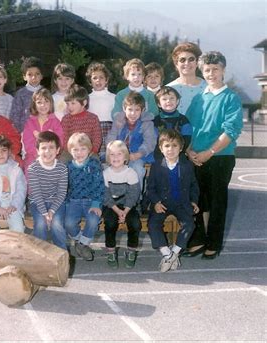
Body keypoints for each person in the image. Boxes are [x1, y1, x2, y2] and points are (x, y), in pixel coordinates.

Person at [184, 51, 243, 259]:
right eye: (207, 70)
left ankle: (214, 243)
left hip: (220, 157)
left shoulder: (231, 98)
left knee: (217, 201)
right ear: (202, 71)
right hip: (196, 156)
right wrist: (189, 150)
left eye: (215, 69)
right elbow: (189, 128)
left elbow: (230, 131)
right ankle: (199, 239)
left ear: (223, 70)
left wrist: (209, 153)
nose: (211, 73)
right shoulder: (199, 98)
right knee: (197, 200)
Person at [146, 130, 199, 272]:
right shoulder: (156, 166)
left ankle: (174, 253)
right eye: (167, 146)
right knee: (153, 224)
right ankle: (166, 253)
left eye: (175, 146)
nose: (171, 149)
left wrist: (194, 201)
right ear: (161, 148)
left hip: (181, 203)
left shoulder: (187, 166)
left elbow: (194, 185)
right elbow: (150, 189)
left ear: (181, 148)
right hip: (162, 204)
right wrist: (156, 202)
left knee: (189, 224)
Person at [65, 132, 105, 261]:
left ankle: (82, 245)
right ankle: (79, 241)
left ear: (89, 149)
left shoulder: (94, 165)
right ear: (70, 151)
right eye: (75, 150)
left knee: (94, 220)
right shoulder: (68, 166)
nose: (79, 153)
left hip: (91, 201)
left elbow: (99, 185)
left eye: (83, 149)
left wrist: (96, 203)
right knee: (69, 223)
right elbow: (65, 186)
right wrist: (66, 203)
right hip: (73, 201)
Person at [102, 140, 142, 269]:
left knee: (135, 223)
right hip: (112, 206)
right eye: (112, 155)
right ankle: (111, 251)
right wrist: (117, 211)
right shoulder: (106, 173)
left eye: (119, 154)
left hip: (128, 206)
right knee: (110, 222)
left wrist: (125, 210)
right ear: (108, 157)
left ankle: (131, 250)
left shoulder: (131, 173)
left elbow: (134, 194)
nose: (115, 158)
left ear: (125, 157)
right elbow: (106, 196)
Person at [107, 91, 156, 190]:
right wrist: (112, 150)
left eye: (137, 110)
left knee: (137, 169)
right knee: (112, 168)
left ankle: (136, 199)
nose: (133, 113)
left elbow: (150, 142)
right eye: (130, 109)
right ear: (124, 109)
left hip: (138, 155)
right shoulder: (118, 121)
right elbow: (111, 136)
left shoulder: (147, 123)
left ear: (143, 110)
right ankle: (117, 198)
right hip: (119, 153)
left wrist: (138, 154)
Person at [27, 131, 68, 250]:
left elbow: (61, 193)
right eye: (43, 148)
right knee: (40, 224)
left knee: (57, 225)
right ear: (37, 151)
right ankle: (40, 252)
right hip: (38, 202)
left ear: (58, 150)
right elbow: (36, 194)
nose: (47, 151)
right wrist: (45, 213)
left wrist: (52, 210)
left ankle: (61, 252)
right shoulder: (33, 168)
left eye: (51, 147)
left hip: (57, 202)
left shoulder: (62, 168)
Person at [22, 88, 64, 171]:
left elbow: (60, 141)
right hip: (33, 157)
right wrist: (39, 156)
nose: (43, 105)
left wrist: (49, 156)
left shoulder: (55, 122)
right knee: (30, 172)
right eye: (39, 102)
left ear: (51, 103)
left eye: (46, 102)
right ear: (34, 105)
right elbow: (27, 142)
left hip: (51, 157)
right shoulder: (30, 122)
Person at [60, 85, 102, 162]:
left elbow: (97, 137)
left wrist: (92, 150)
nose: (69, 107)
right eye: (68, 104)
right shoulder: (66, 119)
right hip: (70, 152)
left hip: (89, 151)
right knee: (62, 161)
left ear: (84, 103)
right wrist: (73, 151)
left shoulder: (93, 118)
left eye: (73, 103)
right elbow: (64, 138)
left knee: (95, 161)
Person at [86, 62, 116, 161]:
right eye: (95, 78)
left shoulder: (113, 97)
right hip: (93, 132)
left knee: (109, 159)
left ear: (106, 80)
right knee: (94, 160)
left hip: (109, 131)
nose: (98, 80)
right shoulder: (87, 98)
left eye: (101, 77)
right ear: (90, 81)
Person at [153, 86, 192, 160]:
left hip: (180, 156)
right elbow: (153, 140)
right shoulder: (155, 121)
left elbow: (187, 138)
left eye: (172, 98)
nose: (168, 101)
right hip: (160, 156)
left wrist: (178, 152)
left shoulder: (183, 120)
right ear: (159, 104)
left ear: (177, 101)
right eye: (164, 99)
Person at [166, 42, 206, 115]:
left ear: (197, 62)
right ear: (176, 64)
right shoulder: (168, 89)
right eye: (182, 60)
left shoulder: (208, 88)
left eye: (191, 59)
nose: (187, 63)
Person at [9, 56, 44, 132]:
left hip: (43, 133)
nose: (34, 77)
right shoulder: (20, 94)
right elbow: (15, 115)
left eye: (37, 74)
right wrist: (21, 130)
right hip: (26, 132)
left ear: (41, 76)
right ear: (24, 77)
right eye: (30, 74)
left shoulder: (46, 93)